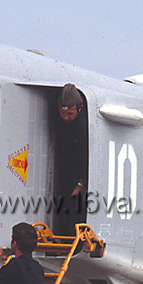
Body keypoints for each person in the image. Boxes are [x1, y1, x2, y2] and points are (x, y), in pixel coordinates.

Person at [53, 83, 88, 236]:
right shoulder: (61, 122)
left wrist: (81, 182)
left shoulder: (82, 126)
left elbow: (86, 157)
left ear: (79, 109)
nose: (65, 117)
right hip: (65, 174)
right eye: (62, 113)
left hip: (78, 177)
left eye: (70, 114)